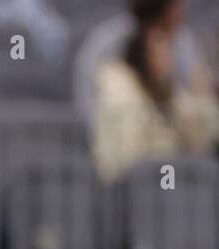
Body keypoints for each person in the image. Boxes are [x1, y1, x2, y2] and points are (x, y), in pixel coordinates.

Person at [91, 18, 218, 181]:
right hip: (131, 185)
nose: (167, 58)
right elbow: (128, 153)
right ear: (143, 54)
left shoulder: (169, 91)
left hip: (162, 180)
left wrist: (202, 96)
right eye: (160, 51)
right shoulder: (122, 91)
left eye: (168, 50)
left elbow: (202, 133)